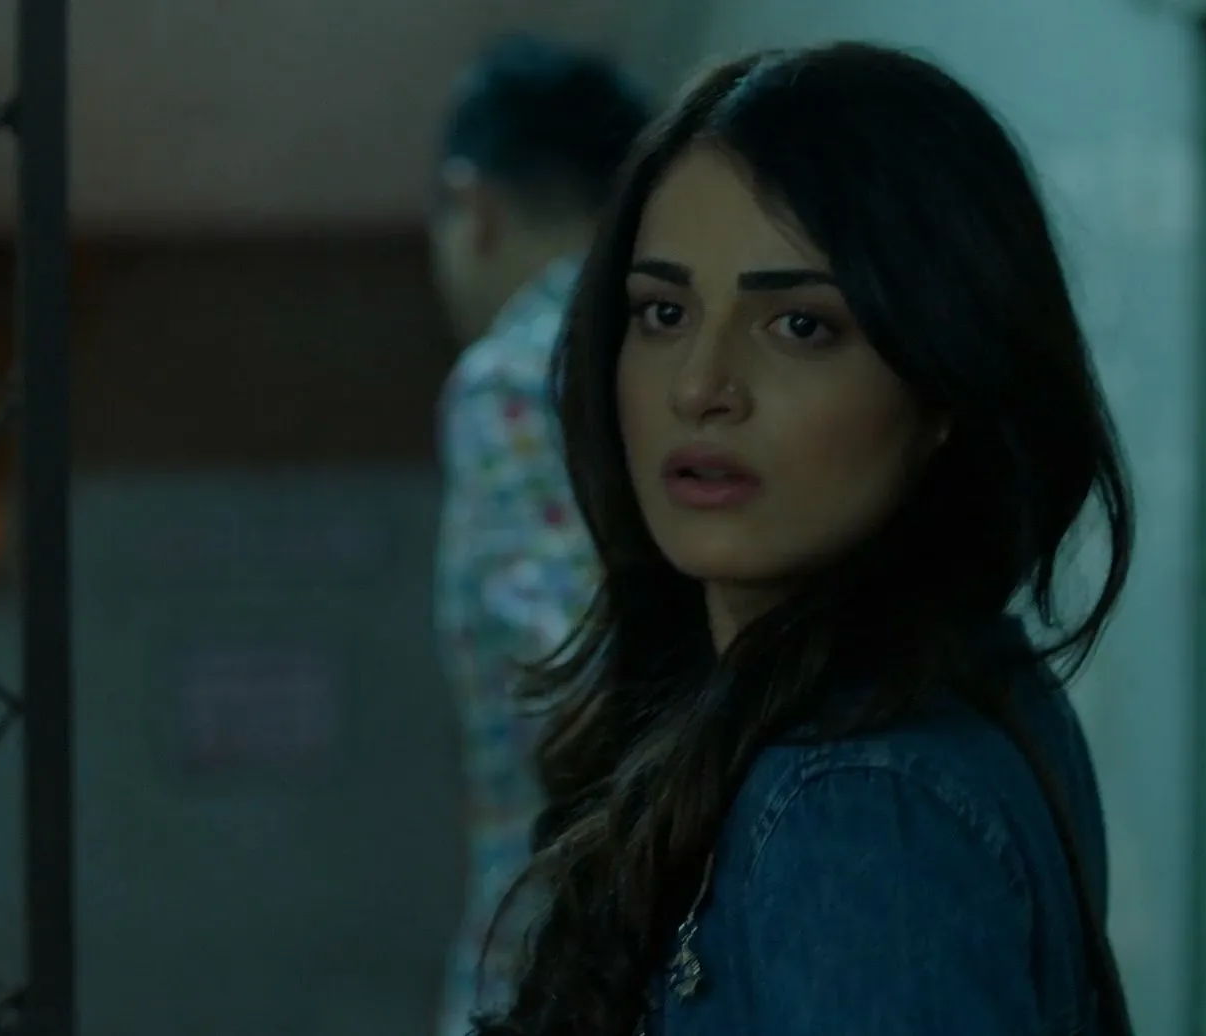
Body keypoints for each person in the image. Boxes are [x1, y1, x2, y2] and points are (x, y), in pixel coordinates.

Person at [472, 43, 1138, 1036]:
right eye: (663, 312)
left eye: (799, 327)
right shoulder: (938, 685)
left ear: (942, 381)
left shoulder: (859, 803)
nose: (701, 386)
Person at [427, 34, 653, 1036]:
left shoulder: (513, 381)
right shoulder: (678, 359)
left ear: (471, 204)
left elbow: (571, 662)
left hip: (562, 965)